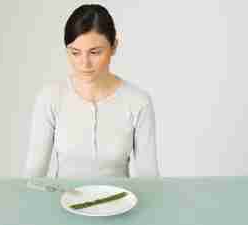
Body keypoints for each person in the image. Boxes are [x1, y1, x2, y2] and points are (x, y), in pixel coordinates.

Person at [24, 4, 159, 178]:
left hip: (120, 204)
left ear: (114, 47)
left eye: (95, 52)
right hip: (63, 203)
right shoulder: (50, 98)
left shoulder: (138, 102)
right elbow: (33, 174)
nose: (84, 64)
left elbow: (150, 178)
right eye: (75, 53)